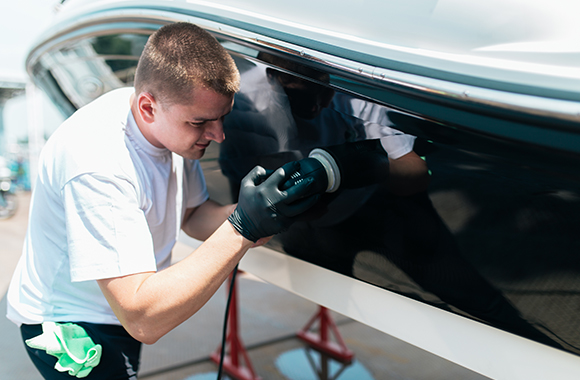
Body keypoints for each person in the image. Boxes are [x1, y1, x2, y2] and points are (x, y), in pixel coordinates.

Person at [6, 22, 319, 380]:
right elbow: (143, 319)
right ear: (147, 106)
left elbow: (194, 215)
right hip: (72, 325)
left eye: (222, 118)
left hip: (121, 308)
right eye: (201, 122)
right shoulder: (97, 161)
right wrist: (240, 230)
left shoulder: (167, 120)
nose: (218, 135)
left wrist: (257, 209)